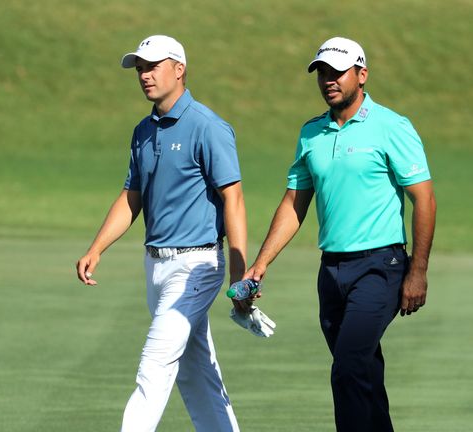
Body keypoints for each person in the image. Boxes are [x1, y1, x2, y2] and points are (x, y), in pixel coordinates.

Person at [243, 36, 437, 431]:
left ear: (361, 75)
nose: (328, 80)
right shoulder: (311, 133)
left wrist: (417, 272)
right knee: (364, 374)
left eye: (338, 72)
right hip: (331, 272)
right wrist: (259, 264)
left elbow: (425, 200)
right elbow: (294, 203)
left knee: (347, 368)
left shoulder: (391, 126)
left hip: (381, 267)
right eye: (322, 73)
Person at [76, 35, 246, 432]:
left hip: (197, 266)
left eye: (153, 66)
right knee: (196, 371)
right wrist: (96, 247)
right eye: (140, 68)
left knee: (154, 365)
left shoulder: (207, 126)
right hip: (156, 266)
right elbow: (131, 197)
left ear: (179, 69)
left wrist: (239, 275)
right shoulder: (143, 130)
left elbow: (233, 199)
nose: (145, 75)